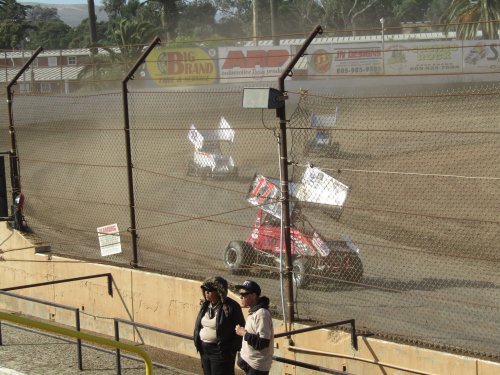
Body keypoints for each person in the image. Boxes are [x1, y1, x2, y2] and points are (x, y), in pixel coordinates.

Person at [193, 276, 245, 375]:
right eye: (205, 290)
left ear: (219, 291)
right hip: (204, 350)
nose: (206, 293)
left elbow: (240, 329)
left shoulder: (231, 306)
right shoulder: (205, 305)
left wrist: (231, 351)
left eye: (210, 290)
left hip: (220, 352)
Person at [235, 280, 274, 375]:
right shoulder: (254, 311)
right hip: (250, 364)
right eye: (240, 294)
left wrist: (244, 333)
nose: (241, 296)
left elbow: (263, 342)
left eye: (244, 294)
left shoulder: (262, 314)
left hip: (257, 367)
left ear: (253, 295)